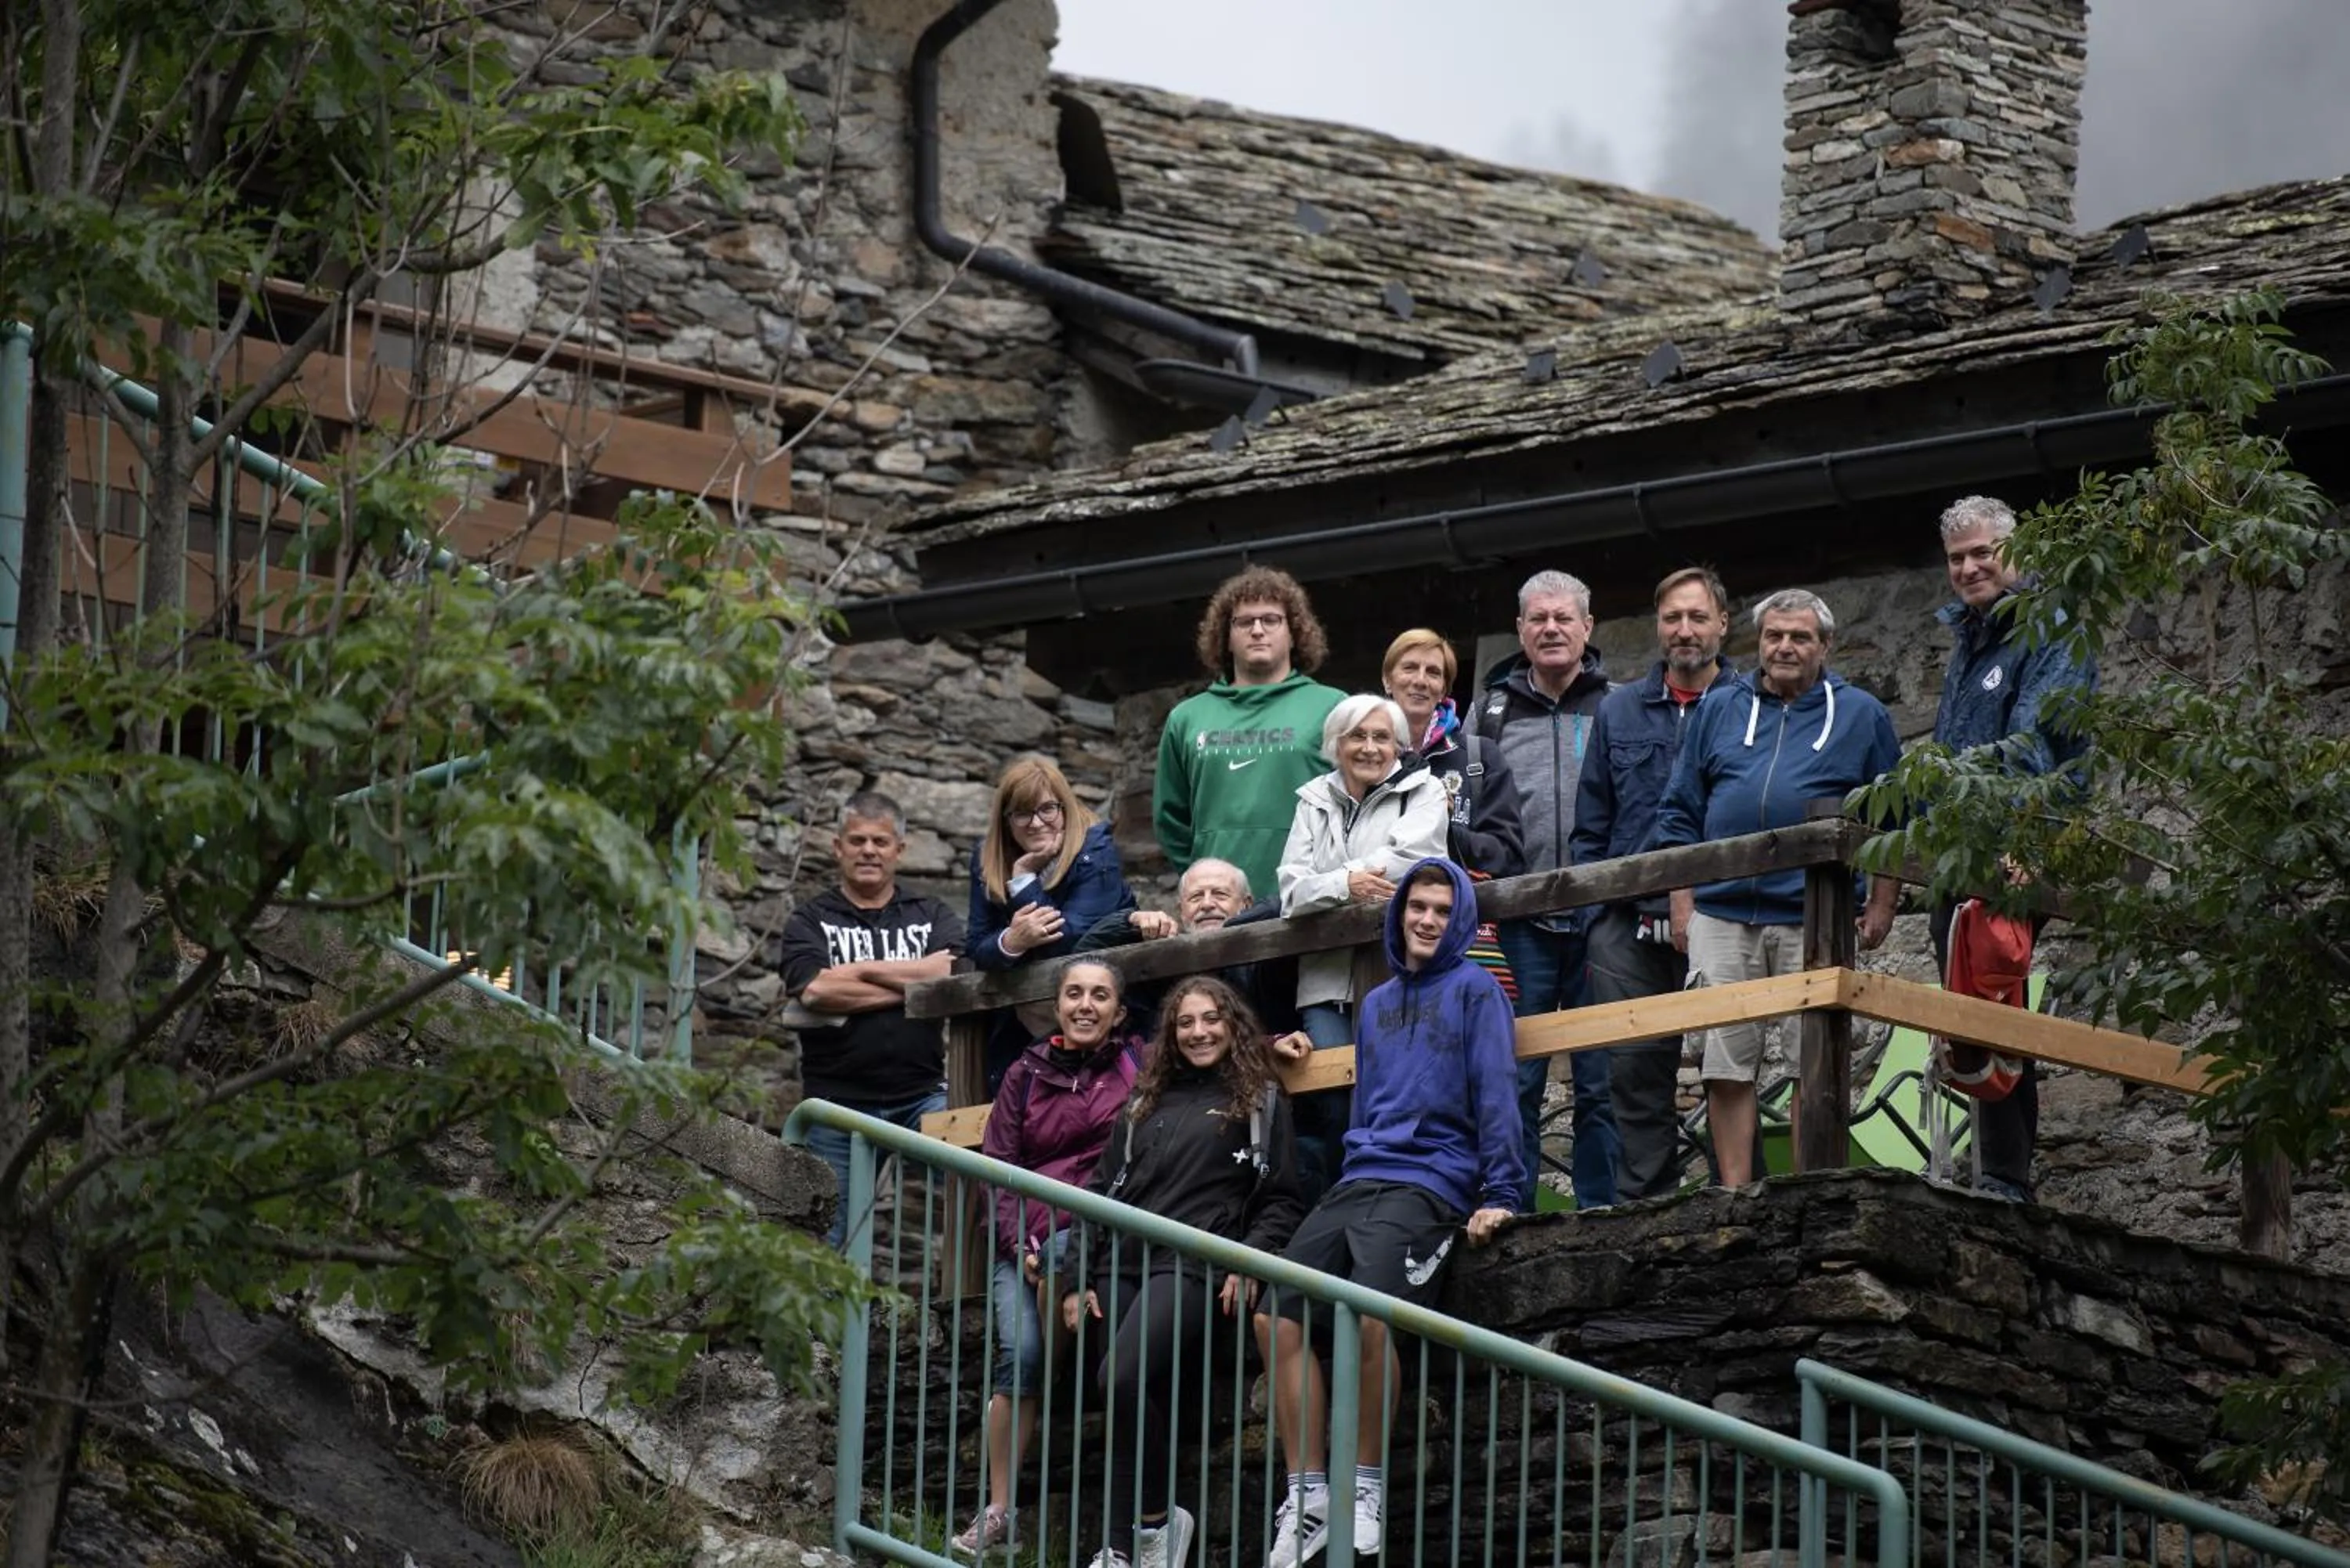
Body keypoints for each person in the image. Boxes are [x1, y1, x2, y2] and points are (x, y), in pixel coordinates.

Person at [1253, 859, 1524, 1568]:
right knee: (1272, 1310)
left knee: (1373, 1311)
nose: (1428, 919)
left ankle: (1363, 1491)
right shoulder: (1374, 1004)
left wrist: (1500, 1194)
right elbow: (1369, 1104)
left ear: (1459, 918)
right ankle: (1308, 1496)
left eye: (1442, 908)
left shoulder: (1476, 991)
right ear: (1399, 914)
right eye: (1417, 907)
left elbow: (1497, 1093)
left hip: (1432, 1182)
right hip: (1360, 1178)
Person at [1650, 589, 1903, 1188]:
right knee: (1726, 1062)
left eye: (1800, 637)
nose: (1784, 647)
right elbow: (1681, 810)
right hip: (1721, 913)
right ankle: (1736, 1193)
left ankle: (1805, 1192)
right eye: (1774, 636)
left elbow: (1896, 816)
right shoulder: (1721, 707)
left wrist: (1884, 902)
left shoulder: (1863, 715)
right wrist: (1682, 905)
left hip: (1814, 915)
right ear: (1758, 642)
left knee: (1813, 1062)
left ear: (1825, 646)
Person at [1062, 977, 1305, 1568]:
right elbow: (1098, 1192)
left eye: (1211, 1019)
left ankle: (1150, 1527)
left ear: (1233, 1025)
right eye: (1186, 1023)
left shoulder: (1261, 1099)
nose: (1198, 1032)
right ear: (1170, 1034)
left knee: (1119, 1380)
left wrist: (1249, 1260)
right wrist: (1074, 1277)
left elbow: (1284, 1199)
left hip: (1195, 1260)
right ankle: (1124, 1547)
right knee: (1121, 1393)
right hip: (1119, 1258)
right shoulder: (1144, 1101)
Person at [1927, 495, 2097, 1203]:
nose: (1970, 567)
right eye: (1958, 558)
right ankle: (1993, 1174)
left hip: (2020, 846)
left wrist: (2017, 839)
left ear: (2016, 553)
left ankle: (2005, 1180)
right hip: (1953, 855)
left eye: (1982, 552)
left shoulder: (2051, 628)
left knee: (1993, 999)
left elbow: (2035, 746)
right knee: (1971, 1012)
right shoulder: (1969, 640)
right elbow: (1947, 752)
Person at [953, 958, 1143, 1558]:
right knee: (1024, 1355)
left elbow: (1213, 1047)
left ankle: (1067, 1291)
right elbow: (999, 1169)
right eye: (1074, 994)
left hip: (1103, 1231)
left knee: (1067, 1258)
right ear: (1057, 1005)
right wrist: (1019, 1247)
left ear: (1118, 1010)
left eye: (1100, 995)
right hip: (1028, 1240)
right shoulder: (1025, 1074)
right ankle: (998, 1510)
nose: (1086, 1005)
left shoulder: (1137, 1062)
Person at [1570, 567, 1734, 1201]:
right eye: (1673, 618)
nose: (1685, 630)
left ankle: (1734, 1196)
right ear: (1658, 625)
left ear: (1723, 623)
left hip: (1724, 915)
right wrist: (1597, 923)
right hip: (1627, 925)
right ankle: (1650, 1206)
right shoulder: (1618, 710)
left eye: (1698, 617)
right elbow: (1591, 827)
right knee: (1634, 1072)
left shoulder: (1746, 706)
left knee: (1729, 1062)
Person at [1473, 569, 1619, 1210]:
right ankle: (1516, 1211)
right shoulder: (1489, 713)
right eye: (1539, 619)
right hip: (1519, 922)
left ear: (1588, 628)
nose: (1552, 629)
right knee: (1518, 1075)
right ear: (1521, 630)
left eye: (1564, 618)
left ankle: (1603, 1212)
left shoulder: (1618, 704)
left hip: (1600, 919)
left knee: (1601, 1078)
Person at [1275, 693, 1448, 1201]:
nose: (1370, 747)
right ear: (1337, 744)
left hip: (1400, 974)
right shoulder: (1312, 800)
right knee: (1333, 1100)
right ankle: (1340, 1203)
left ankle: (1396, 1200)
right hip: (1325, 980)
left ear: (1398, 746)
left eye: (1381, 738)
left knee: (1397, 1093)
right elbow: (1290, 891)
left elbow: (1408, 862)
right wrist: (1347, 887)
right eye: (1358, 736)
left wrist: (1328, 884)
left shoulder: (1424, 791)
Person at [777, 792, 964, 1248]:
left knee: (978, 1177)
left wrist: (859, 971)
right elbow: (817, 989)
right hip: (835, 1108)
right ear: (837, 847)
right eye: (857, 840)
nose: (868, 851)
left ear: (899, 850)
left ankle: (978, 1306)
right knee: (828, 1243)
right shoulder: (810, 920)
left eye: (880, 842)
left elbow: (952, 972)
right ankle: (834, 1323)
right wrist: (910, 986)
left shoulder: (929, 913)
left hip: (922, 1099)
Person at [1155, 568, 1346, 903]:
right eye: (1244, 622)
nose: (1257, 630)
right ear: (1226, 636)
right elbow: (1171, 819)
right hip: (1220, 906)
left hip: (1311, 898)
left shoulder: (1333, 707)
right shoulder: (1186, 718)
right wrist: (1206, 877)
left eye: (1271, 620)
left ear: (1293, 632)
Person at [971, 754, 1139, 1082]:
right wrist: (1010, 942)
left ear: (1064, 807)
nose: (1035, 823)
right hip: (1019, 1027)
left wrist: (1022, 879)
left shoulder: (1095, 847)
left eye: (1047, 809)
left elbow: (1072, 941)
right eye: (1022, 813)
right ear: (1006, 820)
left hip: (1102, 1020)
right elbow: (976, 944)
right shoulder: (986, 856)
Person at [1382, 627, 1525, 880]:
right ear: (1387, 680)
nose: (1421, 680)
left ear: (1444, 689)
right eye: (1409, 668)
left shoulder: (1480, 756)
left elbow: (1508, 857)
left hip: (1452, 914)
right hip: (1373, 913)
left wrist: (1444, 827)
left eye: (1434, 673)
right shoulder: (1363, 756)